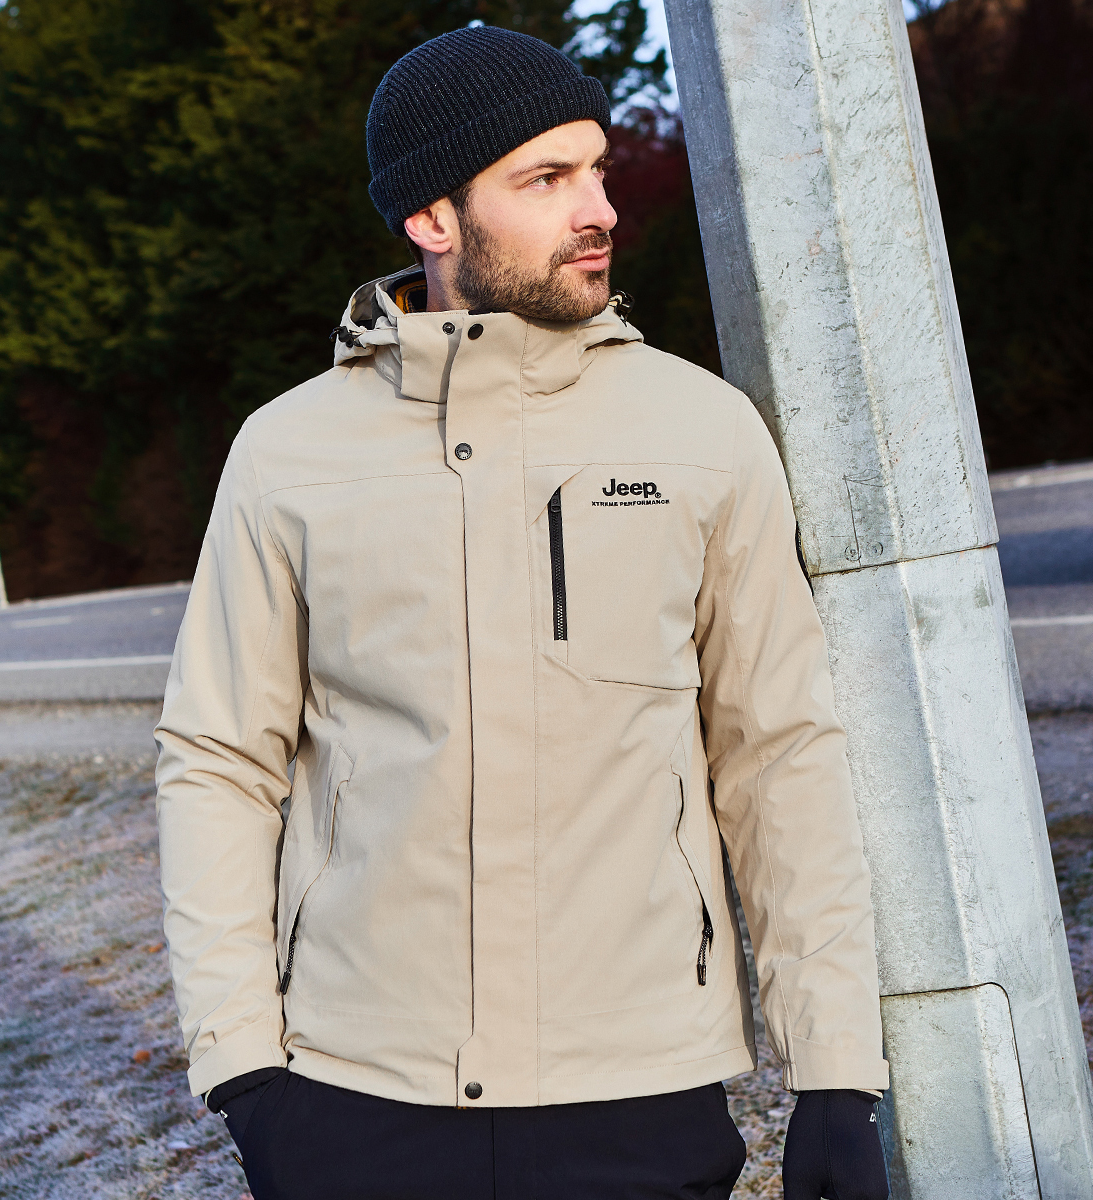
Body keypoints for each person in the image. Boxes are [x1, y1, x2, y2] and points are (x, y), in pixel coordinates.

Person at [155, 24, 891, 1200]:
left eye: (596, 169)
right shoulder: (286, 454)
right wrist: (243, 1070)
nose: (597, 209)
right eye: (544, 180)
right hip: (359, 1098)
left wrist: (836, 1075)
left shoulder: (702, 431)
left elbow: (780, 756)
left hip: (639, 1093)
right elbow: (217, 760)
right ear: (431, 218)